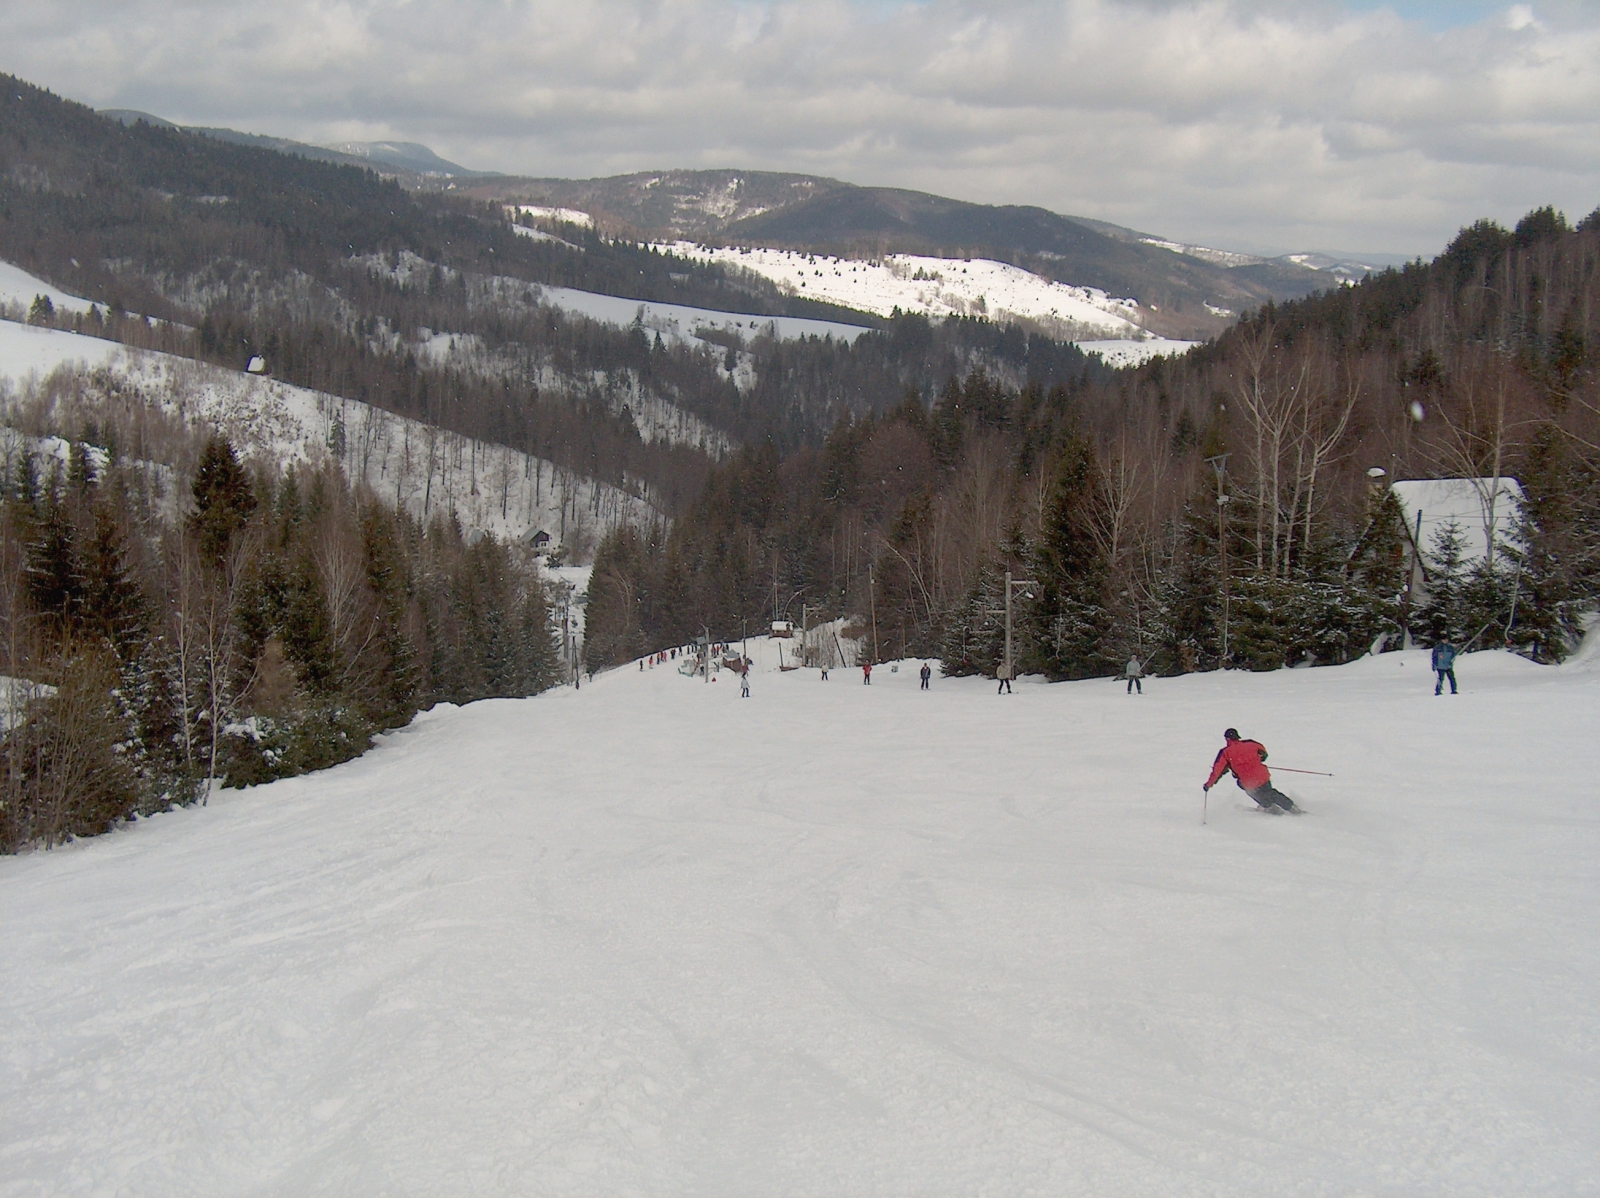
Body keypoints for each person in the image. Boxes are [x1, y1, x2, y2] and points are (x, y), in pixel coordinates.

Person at [1204, 728, 1300, 814]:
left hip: (1248, 782)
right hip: (1263, 776)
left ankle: (1269, 806)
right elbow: (1264, 754)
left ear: (1227, 739)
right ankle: (1291, 807)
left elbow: (1217, 771)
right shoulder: (1251, 743)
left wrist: (1208, 784)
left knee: (1254, 791)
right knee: (1269, 792)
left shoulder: (1225, 753)